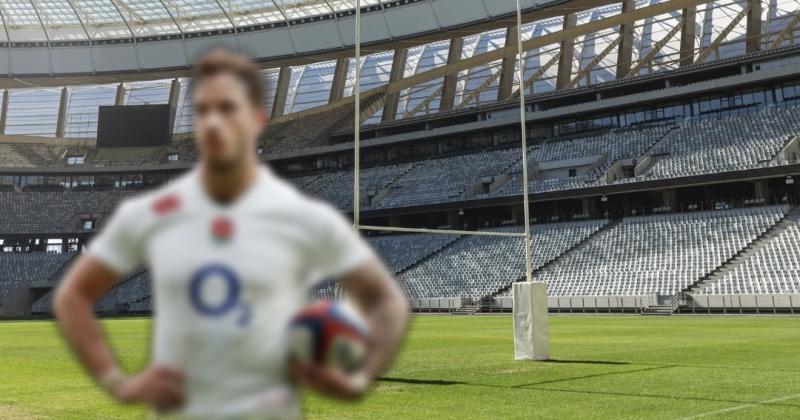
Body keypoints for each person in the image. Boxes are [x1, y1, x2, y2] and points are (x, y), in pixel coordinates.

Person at [54, 48, 409, 419]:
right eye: (204, 110)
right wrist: (118, 381)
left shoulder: (303, 217)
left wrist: (358, 376)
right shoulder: (150, 213)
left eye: (227, 108)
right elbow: (73, 296)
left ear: (256, 119)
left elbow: (388, 302)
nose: (213, 122)